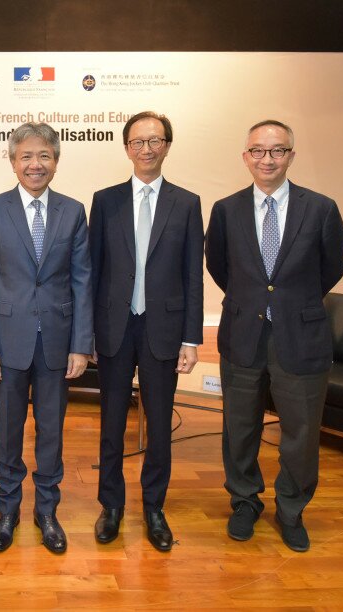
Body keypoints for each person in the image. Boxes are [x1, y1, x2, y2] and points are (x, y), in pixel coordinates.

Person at [205, 120, 343, 552]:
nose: (267, 159)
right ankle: (245, 501)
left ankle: (291, 508)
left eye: (278, 151)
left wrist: (291, 302)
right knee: (240, 427)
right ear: (245, 156)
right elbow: (219, 265)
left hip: (301, 339)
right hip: (243, 333)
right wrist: (255, 301)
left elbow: (332, 266)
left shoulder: (320, 208)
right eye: (259, 151)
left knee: (301, 433)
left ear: (291, 155)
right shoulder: (226, 209)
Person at [0, 122, 93, 554]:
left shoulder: (74, 211)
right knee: (8, 429)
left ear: (56, 161)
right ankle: (7, 509)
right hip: (6, 342)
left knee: (51, 430)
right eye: (26, 156)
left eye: (43, 155)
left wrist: (81, 343)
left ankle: (47, 511)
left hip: (58, 342)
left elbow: (82, 281)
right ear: (12, 161)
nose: (35, 164)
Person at [89, 111, 204, 552]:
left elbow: (192, 275)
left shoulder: (187, 202)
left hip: (164, 331)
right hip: (114, 330)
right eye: (138, 141)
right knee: (111, 424)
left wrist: (191, 338)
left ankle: (154, 507)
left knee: (158, 425)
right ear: (126, 148)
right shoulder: (106, 200)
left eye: (155, 140)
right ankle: (111, 506)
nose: (146, 149)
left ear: (167, 146)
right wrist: (90, 335)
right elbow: (93, 271)